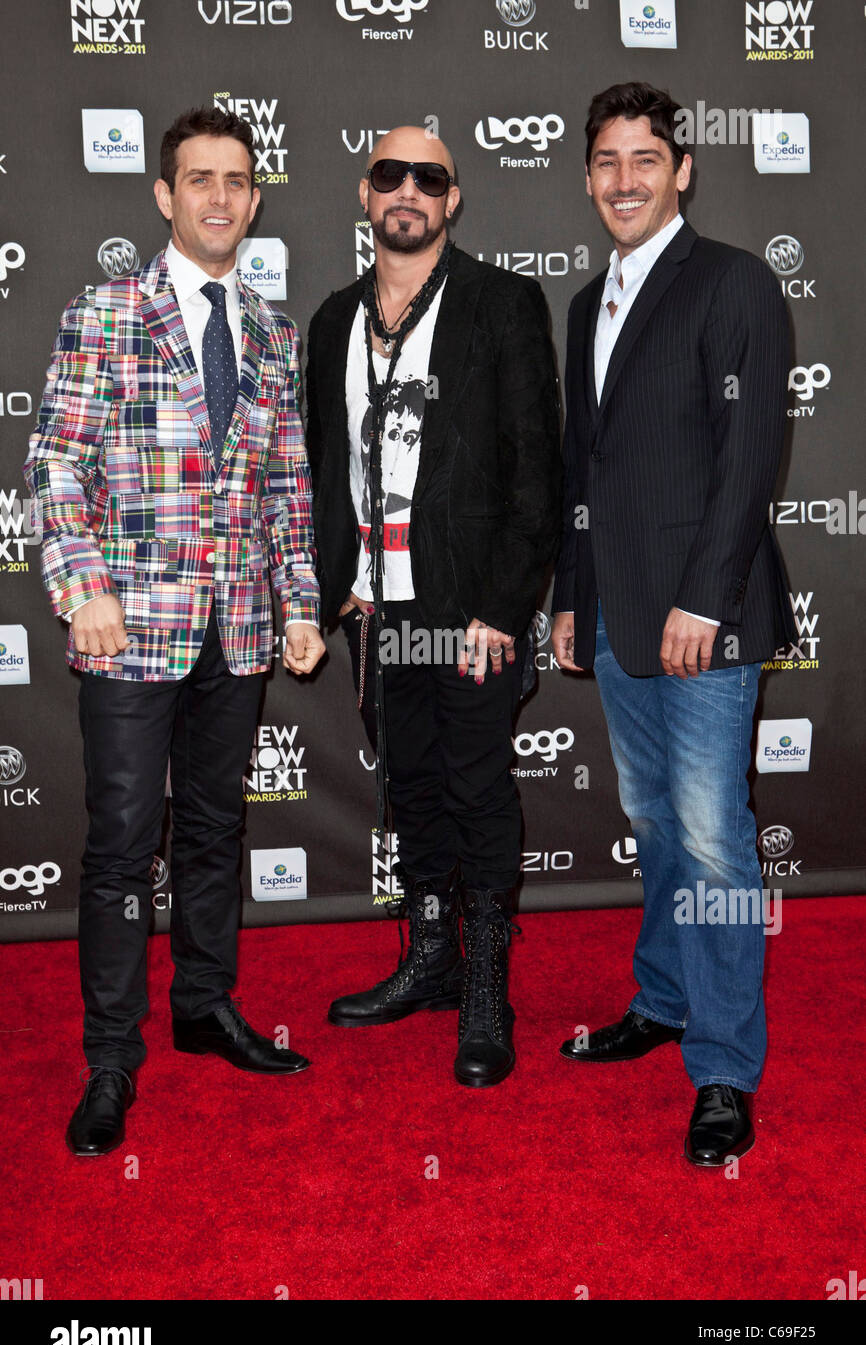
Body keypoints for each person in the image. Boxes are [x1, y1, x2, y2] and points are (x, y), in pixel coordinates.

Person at [24, 107, 325, 1157]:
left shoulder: (272, 333)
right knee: (118, 848)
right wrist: (81, 586)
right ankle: (111, 1054)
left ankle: (203, 1005)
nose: (217, 198)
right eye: (198, 179)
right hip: (128, 630)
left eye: (236, 181)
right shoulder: (104, 312)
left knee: (212, 833)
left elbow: (288, 488)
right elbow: (55, 464)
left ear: (254, 196)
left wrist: (297, 602)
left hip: (236, 630)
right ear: (164, 196)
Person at [551, 82, 794, 1166]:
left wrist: (701, 596)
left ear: (680, 169)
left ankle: (725, 1068)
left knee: (712, 843)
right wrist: (569, 591)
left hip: (705, 616)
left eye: (643, 159)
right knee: (653, 827)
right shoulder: (584, 301)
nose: (622, 180)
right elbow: (584, 467)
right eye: (605, 161)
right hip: (613, 611)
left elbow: (749, 465)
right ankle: (658, 1001)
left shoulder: (734, 282)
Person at [306, 126, 560, 1087]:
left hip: (468, 614)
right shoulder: (333, 319)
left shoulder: (500, 304)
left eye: (429, 178)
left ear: (452, 200)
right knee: (411, 787)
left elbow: (536, 472)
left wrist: (501, 609)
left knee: (478, 788)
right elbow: (327, 471)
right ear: (365, 194)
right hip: (381, 612)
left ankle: (488, 986)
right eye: (389, 175)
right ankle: (431, 959)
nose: (406, 191)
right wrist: (332, 593)